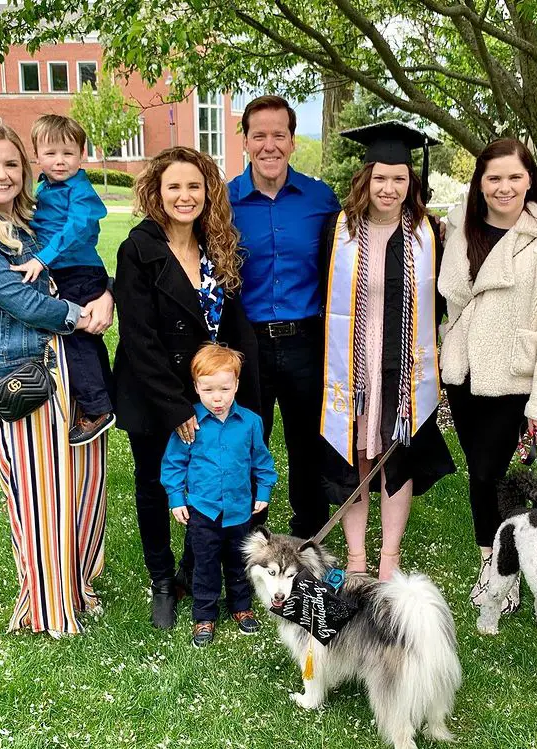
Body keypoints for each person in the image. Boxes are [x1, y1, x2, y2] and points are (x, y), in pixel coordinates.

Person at [0, 123, 113, 637]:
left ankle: (77, 587)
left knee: (81, 487)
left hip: (72, 368)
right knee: (42, 494)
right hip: (26, 374)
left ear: (25, 170)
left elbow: (79, 261)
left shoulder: (26, 222)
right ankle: (48, 608)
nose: (1, 174)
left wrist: (105, 294)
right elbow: (21, 302)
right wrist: (83, 315)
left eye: (10, 164)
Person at [114, 147, 260, 630]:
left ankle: (193, 570)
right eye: (173, 186)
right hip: (155, 392)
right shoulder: (139, 248)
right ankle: (162, 582)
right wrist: (178, 407)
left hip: (213, 390)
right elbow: (139, 337)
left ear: (208, 191)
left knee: (211, 482)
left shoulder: (218, 245)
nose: (184, 196)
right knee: (157, 485)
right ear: (157, 191)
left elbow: (234, 323)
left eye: (194, 186)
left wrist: (240, 392)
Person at [437, 137, 537, 613]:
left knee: (490, 474)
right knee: (481, 478)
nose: (503, 187)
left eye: (514, 177)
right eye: (493, 177)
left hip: (513, 377)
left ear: (529, 180)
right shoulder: (463, 230)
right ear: (479, 183)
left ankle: (507, 566)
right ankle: (493, 559)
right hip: (464, 375)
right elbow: (455, 301)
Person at [320, 121, 456, 581]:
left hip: (403, 370)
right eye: (381, 177)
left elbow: (442, 299)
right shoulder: (337, 232)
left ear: (410, 184)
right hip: (352, 369)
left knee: (395, 457)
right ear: (365, 179)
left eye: (399, 179)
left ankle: (389, 558)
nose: (390, 187)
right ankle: (356, 557)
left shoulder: (428, 234)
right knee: (354, 454)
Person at [228, 95, 341, 539]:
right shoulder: (223, 200)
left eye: (279, 135)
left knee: (307, 445)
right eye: (260, 135)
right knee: (246, 443)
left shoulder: (320, 199)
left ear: (293, 141)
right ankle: (248, 537)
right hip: (244, 343)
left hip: (306, 341)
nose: (269, 145)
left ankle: (307, 536)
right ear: (246, 142)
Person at [161, 343, 278, 647]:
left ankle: (241, 607)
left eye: (225, 389)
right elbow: (174, 463)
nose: (217, 398)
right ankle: (204, 615)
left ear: (236, 385)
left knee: (240, 562)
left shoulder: (251, 422)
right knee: (206, 564)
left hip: (239, 510)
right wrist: (176, 497)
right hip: (204, 510)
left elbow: (261, 461)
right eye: (208, 389)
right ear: (196, 387)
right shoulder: (191, 424)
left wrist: (263, 490)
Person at [13, 114, 114, 446]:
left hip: (79, 272)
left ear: (82, 155)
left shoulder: (80, 190)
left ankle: (97, 408)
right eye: (51, 153)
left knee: (76, 335)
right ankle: (104, 397)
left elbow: (76, 230)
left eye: (68, 153)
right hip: (63, 270)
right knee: (84, 337)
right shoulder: (43, 187)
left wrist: (42, 259)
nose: (60, 161)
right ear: (36, 156)